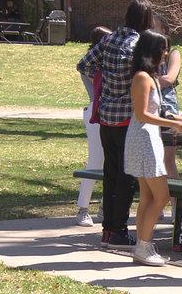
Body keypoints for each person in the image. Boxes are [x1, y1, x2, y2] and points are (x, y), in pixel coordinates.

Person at [77, 0, 154, 250]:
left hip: (106, 118)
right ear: (145, 20)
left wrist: (105, 80)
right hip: (128, 119)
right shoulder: (139, 45)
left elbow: (84, 64)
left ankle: (108, 230)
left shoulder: (107, 40)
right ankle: (119, 230)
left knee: (110, 175)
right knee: (127, 176)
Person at [124, 29, 182, 266]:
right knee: (162, 196)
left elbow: (156, 110)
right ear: (151, 50)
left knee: (147, 197)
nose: (166, 53)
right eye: (162, 49)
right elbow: (142, 114)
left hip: (150, 137)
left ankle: (142, 245)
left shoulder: (152, 76)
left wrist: (176, 118)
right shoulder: (142, 77)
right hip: (144, 139)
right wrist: (174, 124)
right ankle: (144, 247)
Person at [75, 26, 111, 227]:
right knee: (96, 162)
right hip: (95, 114)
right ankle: (82, 209)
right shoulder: (90, 66)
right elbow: (103, 84)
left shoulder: (109, 63)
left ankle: (105, 207)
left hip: (112, 115)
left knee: (113, 162)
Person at [152, 15, 181, 217]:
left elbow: (169, 79)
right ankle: (156, 203)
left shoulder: (174, 53)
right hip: (149, 108)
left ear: (164, 31)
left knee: (168, 159)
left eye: (154, 28)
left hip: (168, 110)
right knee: (151, 160)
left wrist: (148, 79)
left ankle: (177, 206)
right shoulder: (144, 53)